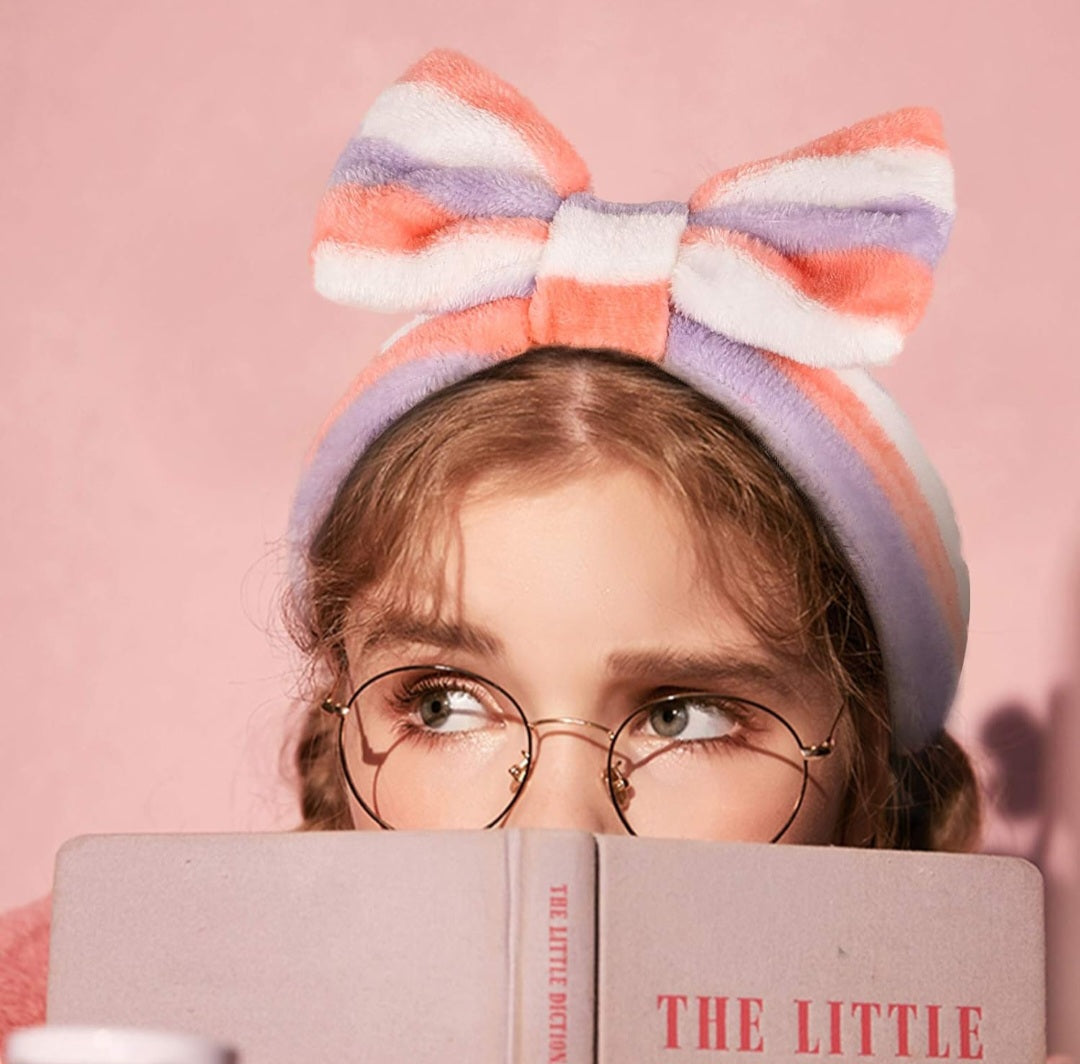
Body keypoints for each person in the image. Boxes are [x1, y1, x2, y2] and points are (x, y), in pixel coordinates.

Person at [0, 47, 980, 1045]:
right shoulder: (81, 1006)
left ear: (864, 770)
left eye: (683, 714)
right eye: (442, 702)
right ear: (338, 730)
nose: (554, 829)